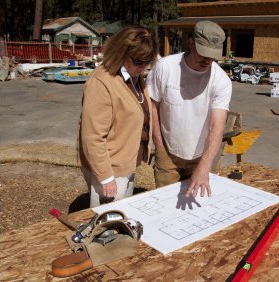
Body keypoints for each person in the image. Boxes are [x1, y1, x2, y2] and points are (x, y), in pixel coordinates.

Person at [146, 20, 232, 199]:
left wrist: (204, 167)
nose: (207, 60)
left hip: (202, 154)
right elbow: (152, 106)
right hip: (167, 153)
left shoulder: (221, 81)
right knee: (166, 201)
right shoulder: (165, 68)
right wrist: (159, 145)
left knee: (195, 204)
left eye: (212, 55)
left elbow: (217, 126)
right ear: (191, 43)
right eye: (203, 53)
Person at [79, 26, 158, 208]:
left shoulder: (133, 75)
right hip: (111, 166)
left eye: (148, 62)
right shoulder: (101, 83)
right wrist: (105, 177)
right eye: (139, 61)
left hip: (125, 161)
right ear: (121, 52)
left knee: (122, 213)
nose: (144, 67)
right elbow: (92, 136)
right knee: (108, 221)